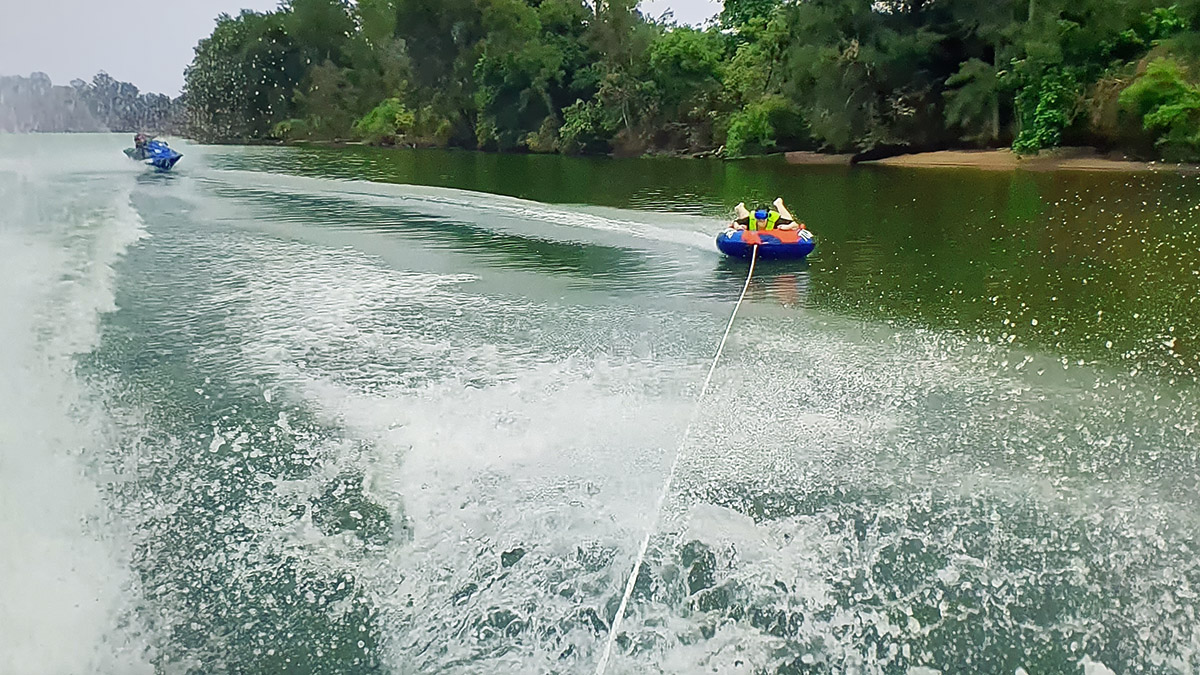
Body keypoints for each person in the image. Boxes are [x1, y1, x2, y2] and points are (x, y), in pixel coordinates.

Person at [731, 198, 803, 232]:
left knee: (788, 218)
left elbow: (795, 224)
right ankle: (740, 207)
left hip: (778, 219)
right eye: (758, 216)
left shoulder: (776, 222)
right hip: (748, 218)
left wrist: (787, 227)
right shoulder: (750, 220)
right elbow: (736, 222)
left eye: (763, 216)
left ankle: (778, 203)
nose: (761, 219)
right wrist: (738, 227)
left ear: (768, 216)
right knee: (744, 216)